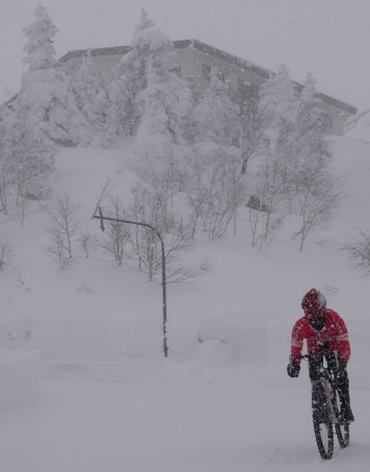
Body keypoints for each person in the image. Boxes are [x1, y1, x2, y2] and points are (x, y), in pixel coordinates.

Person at [287, 288, 354, 423]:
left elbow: (344, 345)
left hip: (333, 346)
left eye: (318, 314)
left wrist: (342, 363)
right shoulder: (301, 325)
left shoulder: (335, 319)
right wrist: (294, 362)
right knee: (315, 375)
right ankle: (319, 404)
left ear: (324, 309)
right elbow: (296, 344)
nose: (314, 318)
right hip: (314, 349)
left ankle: (346, 408)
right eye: (310, 316)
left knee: (340, 376)